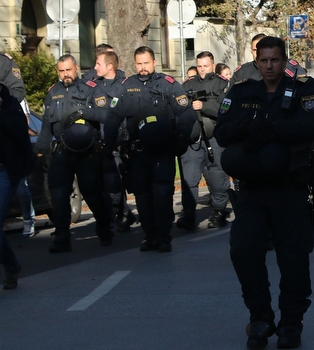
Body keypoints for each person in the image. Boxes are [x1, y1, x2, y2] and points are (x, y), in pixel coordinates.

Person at [215, 36, 314, 350]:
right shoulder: (241, 92)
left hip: (290, 189)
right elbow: (222, 131)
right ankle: (260, 317)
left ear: (284, 60)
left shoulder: (305, 89)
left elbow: (313, 126)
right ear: (256, 59)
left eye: (274, 60)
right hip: (252, 191)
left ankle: (291, 322)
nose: (268, 66)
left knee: (293, 258)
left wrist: (273, 128)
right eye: (263, 60)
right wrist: (246, 127)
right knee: (243, 250)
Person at [104, 47, 195, 253]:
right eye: (139, 63)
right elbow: (113, 116)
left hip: (163, 150)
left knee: (162, 193)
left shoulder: (168, 85)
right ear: (134, 64)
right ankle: (149, 235)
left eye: (146, 63)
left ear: (155, 62)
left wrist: (181, 140)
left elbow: (186, 113)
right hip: (138, 152)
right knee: (143, 196)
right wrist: (109, 145)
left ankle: (163, 236)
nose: (143, 68)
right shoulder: (127, 87)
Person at [35, 54, 114, 252]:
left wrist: (83, 112)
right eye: (61, 71)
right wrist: (40, 150)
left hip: (87, 152)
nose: (65, 74)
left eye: (68, 70)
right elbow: (46, 125)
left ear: (76, 68)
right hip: (62, 152)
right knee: (59, 194)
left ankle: (105, 227)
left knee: (91, 192)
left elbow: (106, 114)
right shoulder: (53, 93)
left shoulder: (91, 89)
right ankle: (62, 237)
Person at [176, 51, 233, 231]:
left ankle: (218, 212)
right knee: (189, 178)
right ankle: (189, 215)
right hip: (193, 139)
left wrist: (205, 106)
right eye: (199, 66)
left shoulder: (222, 84)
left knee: (216, 176)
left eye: (205, 66)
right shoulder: (187, 85)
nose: (202, 70)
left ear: (213, 65)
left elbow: (227, 108)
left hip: (215, 136)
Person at [86, 50, 136, 232]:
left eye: (98, 64)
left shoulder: (125, 86)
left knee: (118, 182)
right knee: (106, 184)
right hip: (99, 143)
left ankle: (122, 213)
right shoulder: (92, 86)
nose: (94, 68)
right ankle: (121, 213)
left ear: (109, 66)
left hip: (120, 142)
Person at [1, 83, 34, 289]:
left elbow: (20, 130)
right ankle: (11, 265)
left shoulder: (10, 103)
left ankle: (11, 266)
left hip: (4, 171)